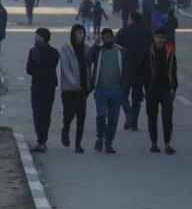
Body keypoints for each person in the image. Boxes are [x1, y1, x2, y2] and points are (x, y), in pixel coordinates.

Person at [88, 27, 128, 153]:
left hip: (116, 90)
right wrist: (94, 45)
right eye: (103, 38)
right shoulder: (99, 51)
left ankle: (108, 142)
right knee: (101, 115)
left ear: (113, 38)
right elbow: (87, 59)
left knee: (113, 118)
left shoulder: (121, 51)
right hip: (101, 89)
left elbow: (127, 71)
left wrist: (123, 88)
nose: (106, 40)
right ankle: (100, 137)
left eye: (108, 38)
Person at [143, 28, 178, 154]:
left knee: (167, 116)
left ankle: (167, 144)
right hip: (151, 89)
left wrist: (175, 88)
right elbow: (141, 67)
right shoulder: (148, 50)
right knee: (152, 116)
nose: (160, 39)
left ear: (165, 38)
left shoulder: (170, 50)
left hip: (166, 88)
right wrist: (143, 85)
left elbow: (174, 69)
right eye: (157, 36)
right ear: (154, 37)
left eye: (162, 36)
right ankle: (154, 143)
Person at [115, 11, 152, 131]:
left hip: (126, 69)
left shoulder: (123, 32)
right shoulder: (147, 33)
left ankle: (128, 114)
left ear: (131, 19)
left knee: (122, 94)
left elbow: (115, 48)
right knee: (137, 95)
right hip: (141, 69)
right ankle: (134, 122)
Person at [26, 28, 61, 152]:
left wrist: (38, 69)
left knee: (38, 114)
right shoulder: (55, 52)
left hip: (38, 86)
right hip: (50, 86)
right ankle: (43, 140)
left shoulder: (34, 51)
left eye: (36, 36)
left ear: (42, 38)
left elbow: (29, 70)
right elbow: (53, 66)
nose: (34, 38)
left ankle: (41, 142)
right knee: (46, 114)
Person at [59, 24, 89, 153]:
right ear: (73, 34)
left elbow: (89, 67)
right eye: (79, 33)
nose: (81, 35)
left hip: (82, 88)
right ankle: (65, 129)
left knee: (81, 116)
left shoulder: (86, 49)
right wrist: (74, 83)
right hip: (69, 89)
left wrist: (87, 84)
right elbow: (65, 69)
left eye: (83, 33)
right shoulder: (65, 48)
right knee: (69, 113)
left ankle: (78, 143)